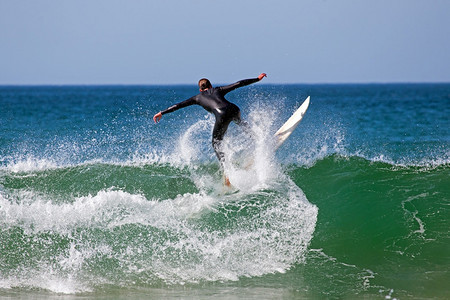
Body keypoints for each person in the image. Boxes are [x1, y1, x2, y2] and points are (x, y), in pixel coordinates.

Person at [153, 73, 267, 186]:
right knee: (241, 123)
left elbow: (179, 105)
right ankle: (258, 139)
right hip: (234, 108)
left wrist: (162, 112)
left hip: (221, 115)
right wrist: (257, 79)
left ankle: (227, 173)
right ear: (210, 86)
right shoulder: (218, 90)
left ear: (200, 89)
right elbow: (238, 84)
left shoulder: (197, 98)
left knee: (216, 143)